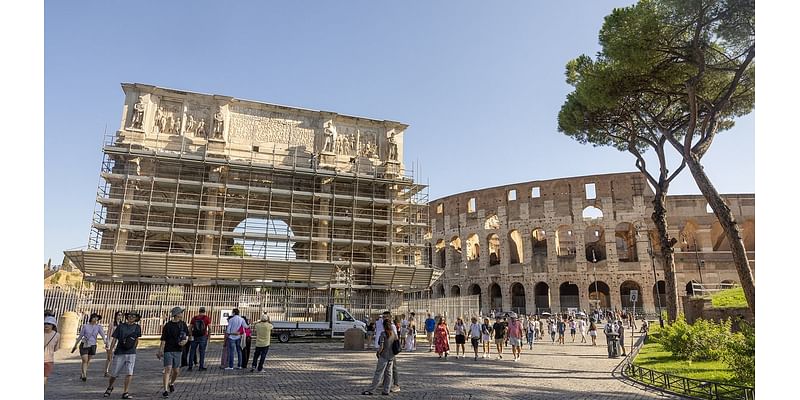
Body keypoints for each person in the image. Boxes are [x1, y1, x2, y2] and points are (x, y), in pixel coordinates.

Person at [104, 311, 142, 399]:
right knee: (114, 373)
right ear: (127, 317)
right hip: (120, 352)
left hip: (131, 353)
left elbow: (136, 339)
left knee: (129, 372)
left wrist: (134, 349)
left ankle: (126, 392)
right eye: (130, 316)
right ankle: (110, 386)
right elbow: (114, 339)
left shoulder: (137, 327)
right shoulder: (121, 326)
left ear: (136, 318)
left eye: (133, 316)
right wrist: (110, 350)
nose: (131, 317)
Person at [157, 307, 189, 398]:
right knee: (168, 369)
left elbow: (186, 336)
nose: (182, 314)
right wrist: (160, 350)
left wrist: (185, 342)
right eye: (180, 313)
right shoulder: (168, 325)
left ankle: (172, 383)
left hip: (178, 350)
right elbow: (163, 339)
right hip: (168, 349)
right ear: (176, 314)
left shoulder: (183, 324)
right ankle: (165, 390)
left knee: (176, 371)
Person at [362, 319, 397, 395]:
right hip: (391, 356)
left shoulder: (383, 334)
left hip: (384, 355)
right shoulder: (393, 333)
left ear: (384, 326)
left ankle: (371, 390)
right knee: (389, 374)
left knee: (378, 373)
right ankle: (386, 390)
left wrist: (378, 353)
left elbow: (381, 346)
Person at [73, 313, 106, 382]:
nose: (96, 319)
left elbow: (103, 335)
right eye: (94, 317)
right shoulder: (85, 326)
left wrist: (105, 342)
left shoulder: (98, 327)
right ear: (91, 318)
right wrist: (75, 344)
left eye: (97, 318)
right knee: (85, 359)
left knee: (87, 360)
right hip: (84, 344)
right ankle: (84, 375)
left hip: (93, 345)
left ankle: (83, 372)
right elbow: (80, 336)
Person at [188, 307, 211, 371]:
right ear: (204, 311)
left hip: (195, 336)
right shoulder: (206, 318)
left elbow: (190, 328)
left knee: (192, 351)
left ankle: (190, 366)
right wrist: (209, 336)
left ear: (199, 311)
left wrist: (190, 335)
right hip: (203, 336)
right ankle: (201, 366)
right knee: (202, 352)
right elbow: (209, 328)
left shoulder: (194, 318)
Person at [104, 311, 124, 377]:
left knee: (117, 358)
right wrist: (107, 342)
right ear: (116, 316)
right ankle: (106, 371)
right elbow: (109, 334)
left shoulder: (122, 324)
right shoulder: (112, 324)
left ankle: (114, 372)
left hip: (118, 342)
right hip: (111, 341)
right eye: (118, 315)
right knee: (109, 357)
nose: (119, 316)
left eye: (121, 315)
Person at [44, 316, 60, 387]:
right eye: (45, 323)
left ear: (53, 325)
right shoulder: (57, 335)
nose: (46, 325)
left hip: (48, 361)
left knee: (44, 378)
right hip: (49, 359)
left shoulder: (57, 335)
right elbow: (56, 349)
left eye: (48, 324)